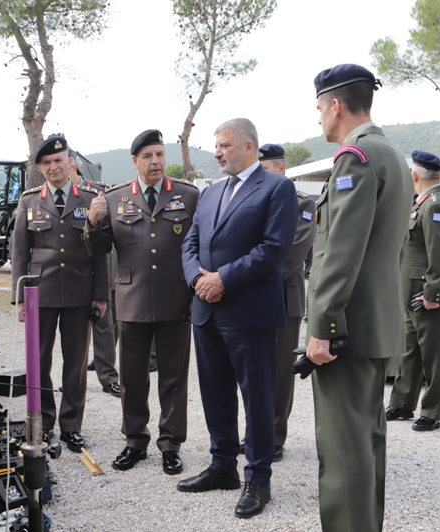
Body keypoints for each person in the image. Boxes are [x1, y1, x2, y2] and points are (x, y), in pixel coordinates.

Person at [305, 64, 412, 532]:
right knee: (366, 445)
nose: (319, 120)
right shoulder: (388, 153)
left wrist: (323, 326)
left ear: (335, 104)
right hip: (374, 324)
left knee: (345, 454)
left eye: (318, 109)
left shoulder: (357, 157)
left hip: (346, 330)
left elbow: (341, 252)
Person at [178, 118, 297, 519]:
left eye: (225, 145)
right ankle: (222, 466)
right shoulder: (211, 193)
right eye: (216, 146)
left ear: (249, 147)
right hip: (207, 309)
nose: (217, 152)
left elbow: (274, 248)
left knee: (257, 398)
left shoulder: (277, 188)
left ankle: (258, 479)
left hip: (249, 312)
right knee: (215, 392)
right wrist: (198, 278)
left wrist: (223, 279)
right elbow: (190, 242)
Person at [86, 129, 199, 476]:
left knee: (173, 378)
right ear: (135, 161)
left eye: (160, 155)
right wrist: (92, 222)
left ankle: (171, 444)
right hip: (132, 301)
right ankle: (135, 440)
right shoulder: (116, 197)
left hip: (176, 299)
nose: (156, 162)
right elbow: (99, 249)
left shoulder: (188, 195)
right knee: (133, 377)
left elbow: (201, 245)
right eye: (148, 156)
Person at [9, 135, 109, 453]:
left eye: (59, 160)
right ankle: (44, 424)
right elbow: (20, 253)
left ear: (70, 162)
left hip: (80, 292)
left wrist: (100, 295)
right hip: (41, 293)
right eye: (47, 162)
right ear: (40, 168)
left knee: (76, 364)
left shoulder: (90, 197)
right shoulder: (29, 201)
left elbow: (101, 251)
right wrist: (20, 297)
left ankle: (70, 426)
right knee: (38, 362)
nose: (54, 166)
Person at [386, 150, 440, 432]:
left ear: (415, 175)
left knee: (433, 357)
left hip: (429, 295)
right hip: (412, 292)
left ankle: (432, 411)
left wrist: (432, 294)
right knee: (409, 352)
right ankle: (403, 403)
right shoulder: (422, 202)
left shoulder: (436, 204)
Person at [256, 142, 315, 461]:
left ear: (281, 169)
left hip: (283, 297)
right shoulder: (255, 198)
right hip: (253, 296)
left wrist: (249, 276)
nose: (261, 175)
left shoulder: (301, 203)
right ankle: (255, 432)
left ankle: (275, 437)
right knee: (255, 370)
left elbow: (292, 251)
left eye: (266, 169)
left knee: (279, 371)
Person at [66, 152, 121, 398]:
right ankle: (72, 381)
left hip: (97, 268)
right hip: (70, 276)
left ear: (73, 166)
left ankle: (108, 376)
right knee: (71, 333)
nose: (56, 169)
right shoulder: (49, 198)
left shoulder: (96, 193)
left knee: (104, 326)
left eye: (62, 163)